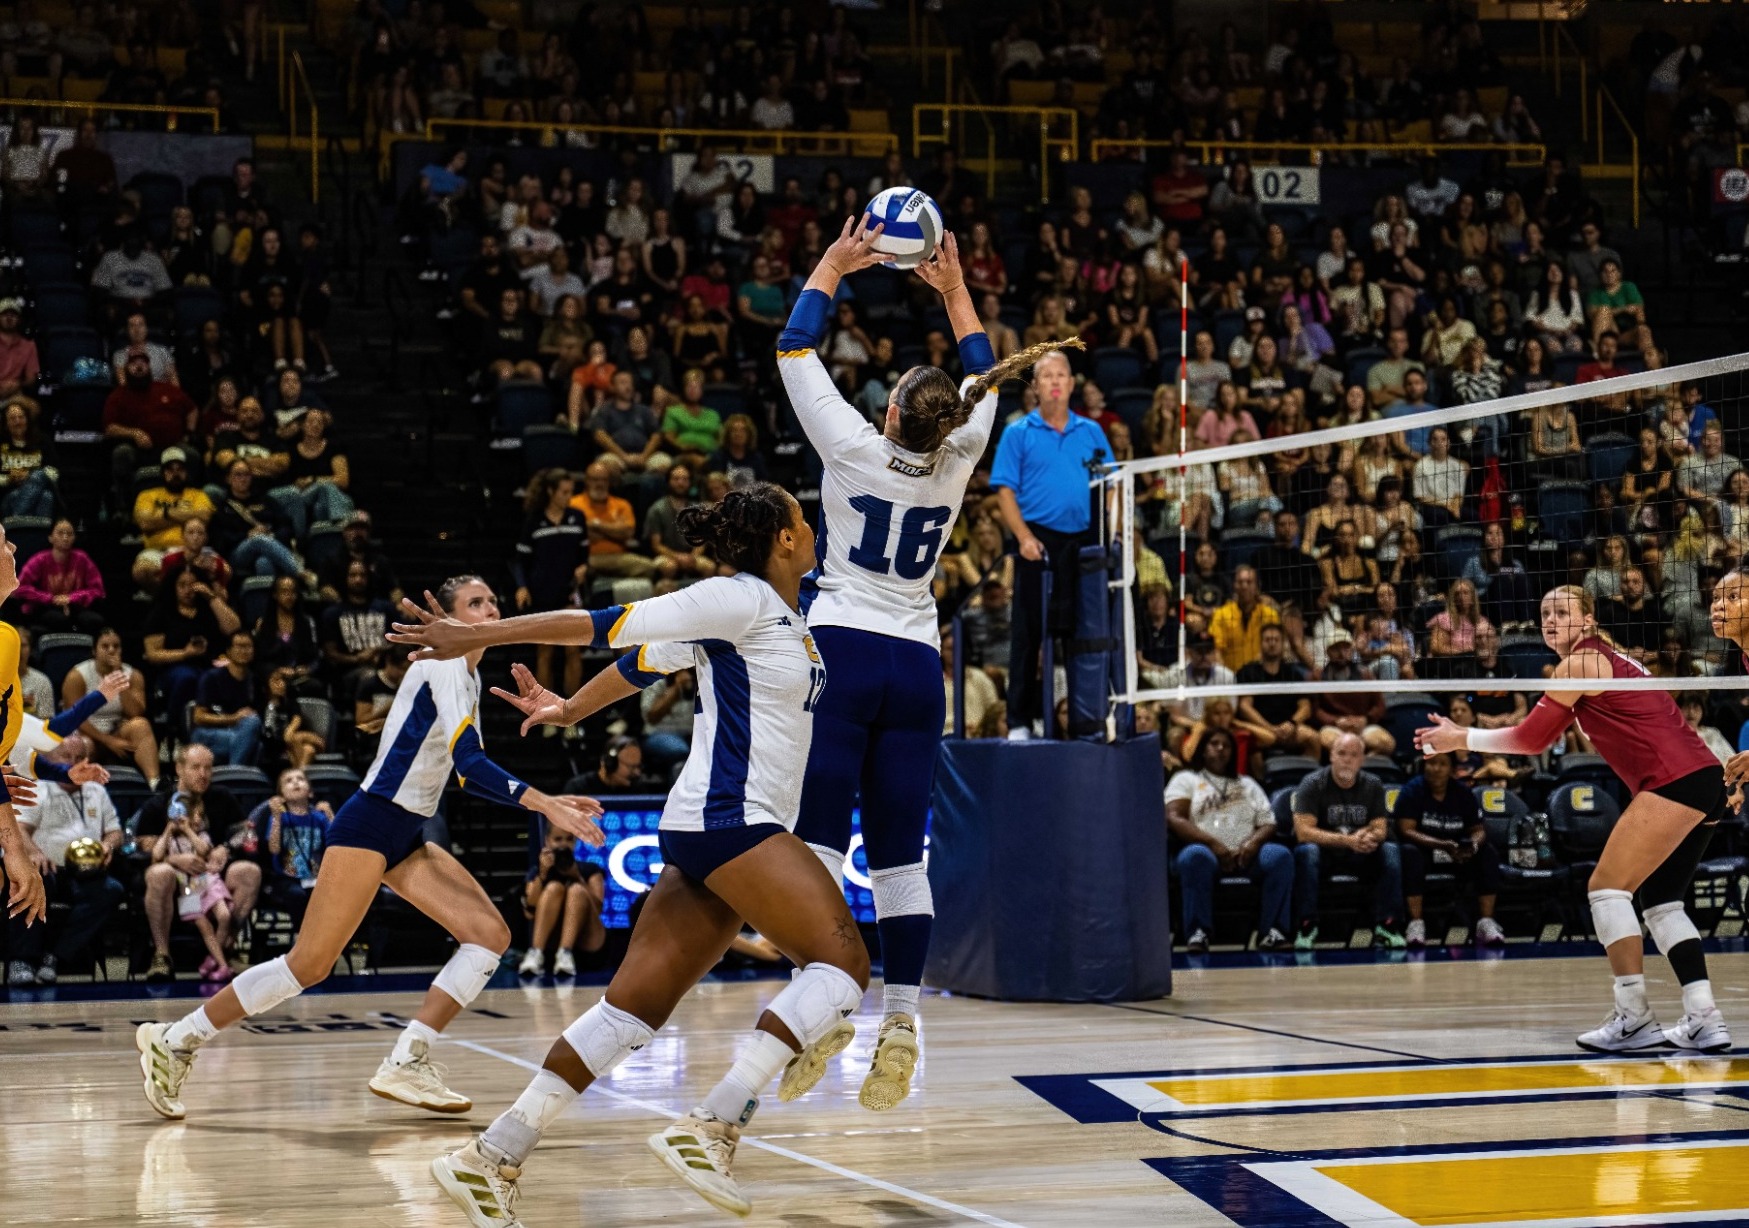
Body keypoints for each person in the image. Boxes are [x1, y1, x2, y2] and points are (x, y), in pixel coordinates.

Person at [392, 486, 871, 1222]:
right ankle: (712, 1125)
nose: (812, 532)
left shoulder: (774, 614)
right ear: (780, 539)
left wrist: (567, 709)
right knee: (842, 966)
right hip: (729, 819)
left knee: (631, 1009)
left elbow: (646, 662)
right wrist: (476, 637)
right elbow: (603, 627)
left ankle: (489, 1156)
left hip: (715, 826)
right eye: (803, 522)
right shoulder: (734, 598)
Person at [137, 575, 604, 1121]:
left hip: (405, 829)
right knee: (308, 965)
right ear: (448, 621)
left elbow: (454, 769)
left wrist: (539, 796)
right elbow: (471, 767)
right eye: (476, 603)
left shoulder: (468, 677)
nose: (491, 608)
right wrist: (545, 802)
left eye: (493, 599)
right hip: (372, 823)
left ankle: (407, 1060)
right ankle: (175, 1039)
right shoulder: (443, 665)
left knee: (489, 934)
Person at [776, 221, 1062, 1111]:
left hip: (844, 650)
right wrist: (952, 286)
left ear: (891, 412)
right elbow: (985, 372)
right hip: (915, 663)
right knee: (901, 859)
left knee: (817, 846)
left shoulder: (852, 447)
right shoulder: (962, 452)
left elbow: (792, 344)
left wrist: (834, 261)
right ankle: (901, 1016)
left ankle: (820, 1009)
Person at [1419, 584, 1732, 1053]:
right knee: (1661, 902)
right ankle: (1703, 1016)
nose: (1550, 620)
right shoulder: (1609, 660)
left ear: (1587, 621)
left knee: (1606, 889)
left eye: (1562, 611)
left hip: (1674, 780)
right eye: (1544, 612)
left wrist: (1460, 736)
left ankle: (1634, 1016)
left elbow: (1531, 741)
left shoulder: (1582, 662)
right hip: (1704, 780)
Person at [3, 734, 120, 986]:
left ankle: (54, 956)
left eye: (79, 757)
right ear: (48, 760)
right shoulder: (37, 788)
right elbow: (20, 830)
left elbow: (114, 830)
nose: (73, 763)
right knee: (32, 880)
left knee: (111, 890)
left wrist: (109, 845)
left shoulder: (96, 790)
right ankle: (21, 960)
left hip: (86, 870)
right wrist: (34, 853)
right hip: (49, 867)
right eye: (65, 757)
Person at [1167, 728, 1293, 952]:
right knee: (1194, 857)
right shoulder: (1187, 779)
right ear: (1202, 750)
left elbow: (1268, 822)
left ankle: (1273, 931)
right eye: (1214, 744)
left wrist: (1252, 843)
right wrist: (1214, 845)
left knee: (1280, 856)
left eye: (1226, 746)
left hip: (1247, 855)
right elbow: (1174, 817)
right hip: (1205, 853)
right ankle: (1199, 932)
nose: (1221, 749)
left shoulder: (1247, 783)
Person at [1291, 732, 1404, 950]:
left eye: (1354, 755)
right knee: (1307, 852)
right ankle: (1306, 925)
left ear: (1362, 759)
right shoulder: (1312, 783)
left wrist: (1370, 837)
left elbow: (1380, 827)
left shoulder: (1373, 784)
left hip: (1359, 852)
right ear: (1331, 756)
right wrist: (1347, 841)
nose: (1347, 759)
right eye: (1341, 753)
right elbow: (1303, 832)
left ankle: (1388, 924)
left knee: (1389, 849)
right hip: (1325, 854)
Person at [1393, 750, 1505, 948]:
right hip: (1426, 849)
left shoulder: (1462, 792)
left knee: (1487, 853)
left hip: (1456, 851)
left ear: (1452, 770)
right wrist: (1440, 845)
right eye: (1432, 763)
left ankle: (1486, 921)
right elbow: (1406, 830)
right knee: (1410, 854)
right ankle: (1416, 924)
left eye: (1442, 764)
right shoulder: (1412, 790)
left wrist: (1473, 845)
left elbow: (1478, 829)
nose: (1436, 768)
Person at [519, 819, 605, 978]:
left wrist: (576, 876)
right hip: (550, 946)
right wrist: (543, 874)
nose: (563, 844)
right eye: (558, 839)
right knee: (554, 888)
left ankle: (565, 952)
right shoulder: (537, 872)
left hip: (588, 943)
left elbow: (598, 910)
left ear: (576, 842)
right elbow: (529, 913)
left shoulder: (590, 869)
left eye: (569, 839)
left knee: (577, 890)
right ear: (547, 841)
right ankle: (535, 953)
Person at [189, 630, 262, 766]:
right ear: (228, 651)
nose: (244, 651)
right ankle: (236, 774)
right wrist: (234, 718)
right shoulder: (211, 677)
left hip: (237, 733)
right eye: (239, 646)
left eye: (248, 647)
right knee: (252, 742)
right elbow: (198, 717)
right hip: (207, 734)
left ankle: (233, 774)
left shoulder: (254, 681)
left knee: (255, 736)